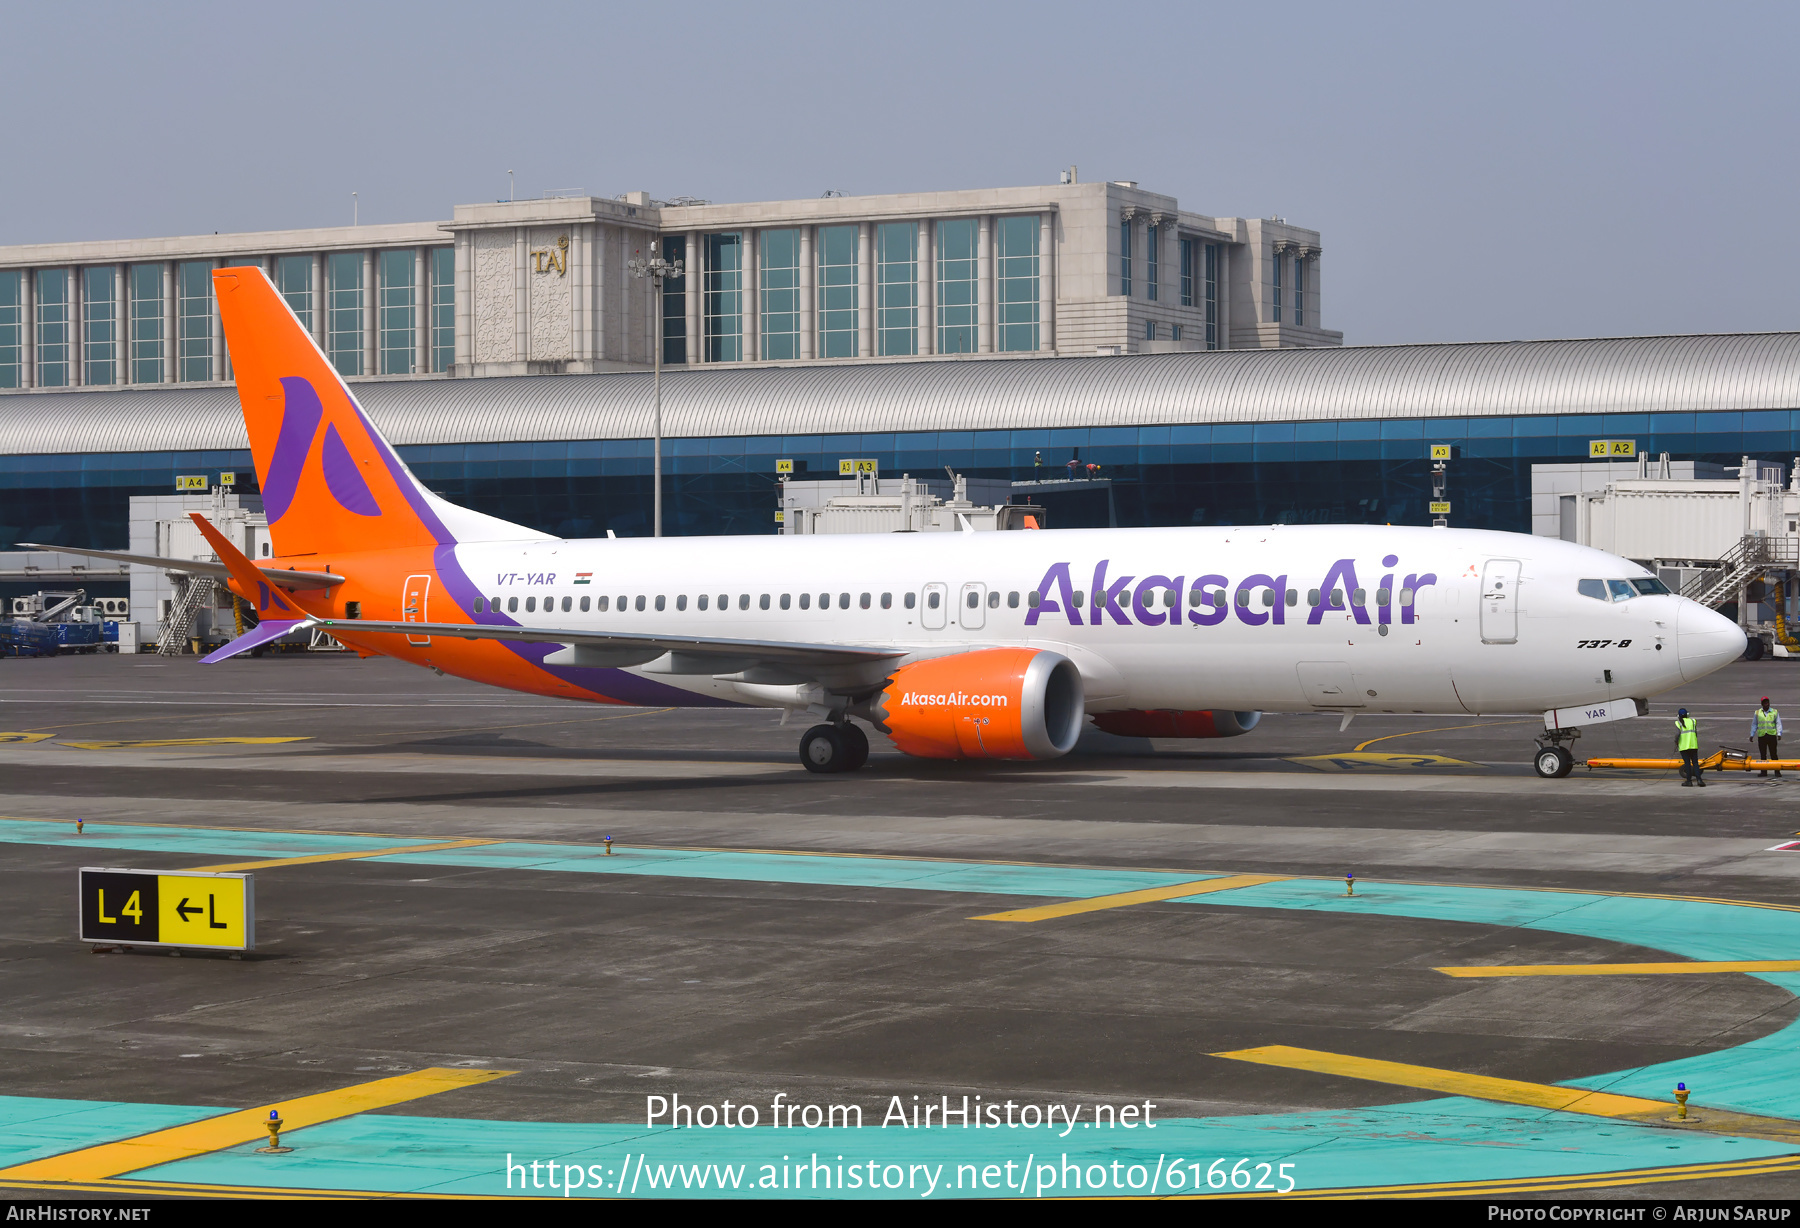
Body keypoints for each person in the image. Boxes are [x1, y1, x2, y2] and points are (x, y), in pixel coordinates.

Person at [1753, 696, 1784, 777]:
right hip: (1762, 736)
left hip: (1771, 736)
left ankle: (1777, 771)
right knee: (1763, 755)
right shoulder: (1757, 712)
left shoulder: (1774, 712)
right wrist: (1752, 734)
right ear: (1762, 704)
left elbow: (1778, 723)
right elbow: (1754, 724)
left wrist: (1779, 733)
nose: (1766, 704)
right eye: (1764, 702)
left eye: (1767, 702)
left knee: (1774, 754)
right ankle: (1764, 772)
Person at [1676, 707, 1703, 787]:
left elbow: (1677, 735)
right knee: (1695, 763)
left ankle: (1689, 781)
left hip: (1684, 747)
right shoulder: (1692, 721)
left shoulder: (1679, 723)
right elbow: (1696, 733)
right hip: (1693, 746)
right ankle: (1699, 780)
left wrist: (1676, 742)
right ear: (1687, 715)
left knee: (1687, 764)